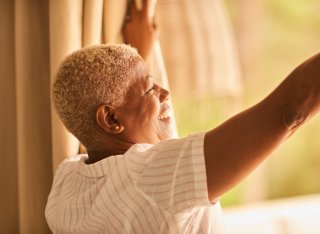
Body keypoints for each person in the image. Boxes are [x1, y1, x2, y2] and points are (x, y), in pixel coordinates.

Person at [45, 1, 320, 233]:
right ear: (111, 120)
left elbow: (103, 144)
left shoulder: (66, 183)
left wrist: (140, 53)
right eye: (151, 88)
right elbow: (287, 113)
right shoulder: (151, 179)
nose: (165, 93)